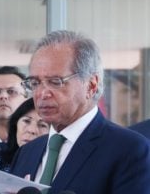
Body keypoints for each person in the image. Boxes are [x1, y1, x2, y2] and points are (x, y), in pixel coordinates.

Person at [10, 30, 150, 194]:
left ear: (91, 85)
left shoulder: (130, 149)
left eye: (55, 82)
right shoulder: (27, 152)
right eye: (35, 83)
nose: (42, 93)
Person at [0, 98, 49, 172]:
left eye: (42, 125)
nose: (31, 130)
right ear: (15, 125)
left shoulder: (52, 171)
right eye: (26, 121)